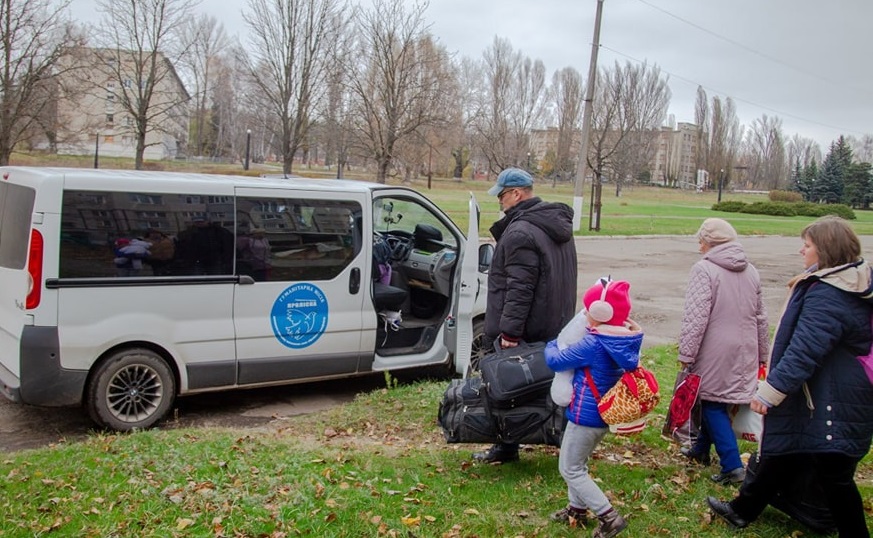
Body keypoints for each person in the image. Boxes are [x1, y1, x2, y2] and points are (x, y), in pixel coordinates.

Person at [707, 216, 873, 537]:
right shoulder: (842, 281)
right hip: (824, 393)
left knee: (833, 474)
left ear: (825, 250)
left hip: (834, 400)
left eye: (807, 245)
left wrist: (770, 391)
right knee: (784, 450)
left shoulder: (830, 294)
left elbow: (804, 350)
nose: (801, 251)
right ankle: (742, 510)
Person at [472, 167, 578, 464]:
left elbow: (519, 289)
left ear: (517, 194)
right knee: (552, 388)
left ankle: (506, 447)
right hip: (554, 323)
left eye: (502, 196)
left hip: (526, 328)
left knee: (508, 389)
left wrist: (509, 333)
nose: (500, 203)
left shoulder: (520, 232)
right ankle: (563, 445)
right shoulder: (553, 226)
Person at [545, 278, 641, 538]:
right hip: (602, 412)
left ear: (600, 314)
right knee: (578, 462)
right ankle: (577, 509)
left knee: (570, 468)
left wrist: (554, 342)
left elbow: (556, 360)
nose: (585, 314)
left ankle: (609, 517)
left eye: (588, 310)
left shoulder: (593, 343)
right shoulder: (622, 339)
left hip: (585, 414)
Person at [677, 218, 769, 484]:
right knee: (716, 400)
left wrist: (687, 354)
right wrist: (763, 353)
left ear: (709, 242)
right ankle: (700, 450)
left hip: (715, 348)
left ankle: (731, 465)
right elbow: (760, 316)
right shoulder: (750, 270)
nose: (699, 246)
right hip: (746, 348)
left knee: (712, 403)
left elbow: (696, 318)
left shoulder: (704, 270)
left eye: (701, 240)